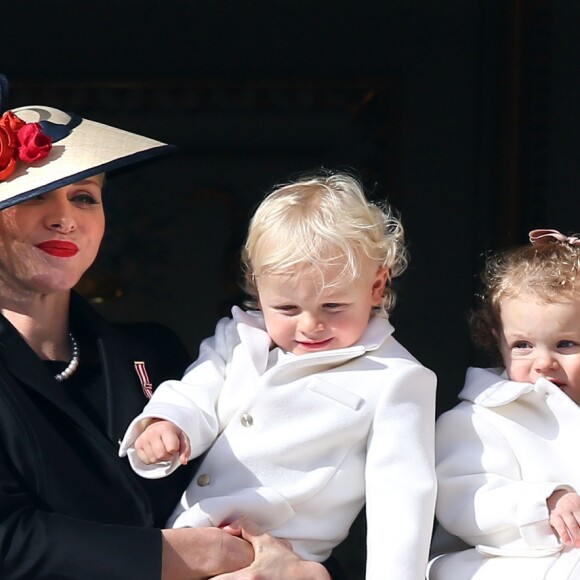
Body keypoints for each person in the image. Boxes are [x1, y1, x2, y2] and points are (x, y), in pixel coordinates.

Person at [0, 75, 340, 580]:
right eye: (35, 196)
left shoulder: (155, 352)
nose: (65, 219)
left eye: (85, 197)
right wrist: (209, 554)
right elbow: (11, 541)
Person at [119, 170, 438, 579]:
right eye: (287, 309)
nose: (310, 326)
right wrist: (167, 422)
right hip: (187, 539)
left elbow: (402, 500)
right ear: (256, 285)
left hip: (275, 560)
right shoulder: (237, 337)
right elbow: (197, 389)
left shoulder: (397, 377)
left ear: (376, 287)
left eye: (333, 307)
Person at [429, 228, 580, 579]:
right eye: (523, 345)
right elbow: (464, 498)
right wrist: (543, 503)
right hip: (507, 564)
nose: (543, 362)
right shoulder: (480, 418)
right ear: (498, 341)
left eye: (565, 344)